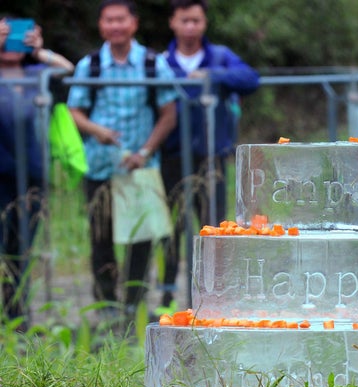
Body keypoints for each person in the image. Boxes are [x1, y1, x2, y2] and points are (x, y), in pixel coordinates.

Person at [67, 0, 178, 325]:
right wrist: (95, 130)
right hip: (100, 164)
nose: (115, 25)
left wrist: (145, 151)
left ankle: (133, 305)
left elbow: (168, 115)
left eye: (121, 19)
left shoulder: (152, 64)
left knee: (140, 237)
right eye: (109, 20)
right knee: (100, 236)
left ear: (133, 23)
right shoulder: (90, 65)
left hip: (139, 166)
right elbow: (75, 111)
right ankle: (105, 306)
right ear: (102, 25)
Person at [159, 0, 259, 309]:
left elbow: (250, 79)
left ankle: (209, 295)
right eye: (184, 20)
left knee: (211, 224)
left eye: (196, 20)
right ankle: (165, 292)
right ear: (173, 23)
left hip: (211, 156)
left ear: (204, 24)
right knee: (169, 226)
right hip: (171, 155)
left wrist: (211, 75)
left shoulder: (219, 57)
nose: (190, 26)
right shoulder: (161, 61)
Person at [0, 17, 73, 329]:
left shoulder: (36, 73)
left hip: (30, 175)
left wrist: (40, 50)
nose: (10, 42)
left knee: (22, 247)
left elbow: (69, 70)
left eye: (15, 35)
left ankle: (16, 316)